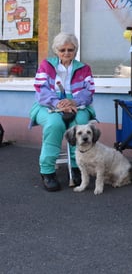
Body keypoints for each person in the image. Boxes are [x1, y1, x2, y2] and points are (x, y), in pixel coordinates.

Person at [29, 32, 96, 192]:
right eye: (62, 50)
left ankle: (77, 167)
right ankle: (47, 171)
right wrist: (58, 103)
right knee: (55, 124)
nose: (66, 53)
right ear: (56, 50)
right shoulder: (46, 65)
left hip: (77, 104)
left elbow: (89, 91)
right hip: (47, 104)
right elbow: (41, 90)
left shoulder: (84, 68)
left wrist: (74, 101)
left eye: (70, 50)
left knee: (80, 124)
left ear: (75, 50)